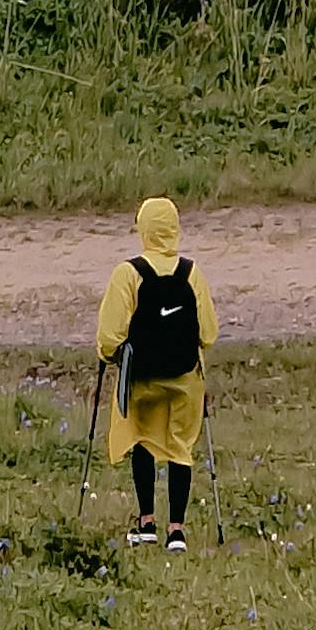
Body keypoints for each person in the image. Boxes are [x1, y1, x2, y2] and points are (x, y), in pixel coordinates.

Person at [95, 194, 216, 553]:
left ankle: (146, 522)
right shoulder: (191, 273)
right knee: (180, 447)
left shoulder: (128, 273)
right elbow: (208, 335)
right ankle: (176, 531)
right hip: (184, 379)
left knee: (143, 439)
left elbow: (109, 336)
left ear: (143, 229)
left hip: (143, 378)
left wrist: (108, 355)